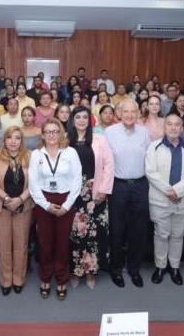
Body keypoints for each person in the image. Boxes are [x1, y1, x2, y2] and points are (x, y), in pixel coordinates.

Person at [29, 119, 82, 300]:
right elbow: (33, 184)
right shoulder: (36, 154)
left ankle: (61, 278)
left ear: (61, 133)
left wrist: (66, 206)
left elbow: (77, 181)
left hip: (66, 200)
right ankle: (45, 277)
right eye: (48, 132)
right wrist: (46, 205)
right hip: (44, 201)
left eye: (55, 131)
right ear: (42, 134)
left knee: (62, 243)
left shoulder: (70, 152)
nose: (51, 135)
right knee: (45, 243)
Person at [145, 114, 184, 286]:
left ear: (182, 128)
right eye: (170, 124)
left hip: (183, 201)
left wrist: (177, 191)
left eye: (177, 124)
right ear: (164, 127)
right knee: (161, 235)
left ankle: (174, 267)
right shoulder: (154, 147)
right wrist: (169, 191)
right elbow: (150, 173)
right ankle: (160, 266)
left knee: (178, 235)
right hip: (160, 200)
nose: (173, 127)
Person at [104, 99, 151, 288]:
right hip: (118, 186)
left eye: (134, 111)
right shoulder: (109, 132)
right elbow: (105, 162)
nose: (130, 115)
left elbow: (150, 159)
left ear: (138, 113)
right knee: (117, 230)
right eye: (126, 111)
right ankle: (116, 269)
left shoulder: (145, 132)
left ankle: (134, 269)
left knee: (138, 230)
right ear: (119, 114)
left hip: (140, 185)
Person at [67, 107, 114, 289]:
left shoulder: (100, 139)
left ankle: (91, 272)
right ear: (72, 120)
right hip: (73, 195)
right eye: (77, 117)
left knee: (94, 235)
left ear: (90, 120)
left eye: (85, 117)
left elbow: (109, 165)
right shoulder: (66, 140)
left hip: (96, 194)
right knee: (75, 234)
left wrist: (104, 190)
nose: (81, 120)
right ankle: (76, 271)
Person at [0, 126, 33, 295]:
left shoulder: (30, 156)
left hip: (23, 206)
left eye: (17, 138)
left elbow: (35, 182)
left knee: (21, 245)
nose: (13, 141)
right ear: (4, 140)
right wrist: (7, 199)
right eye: (10, 138)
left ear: (22, 141)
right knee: (3, 245)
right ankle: (6, 280)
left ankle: (18, 279)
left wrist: (20, 199)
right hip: (1, 207)